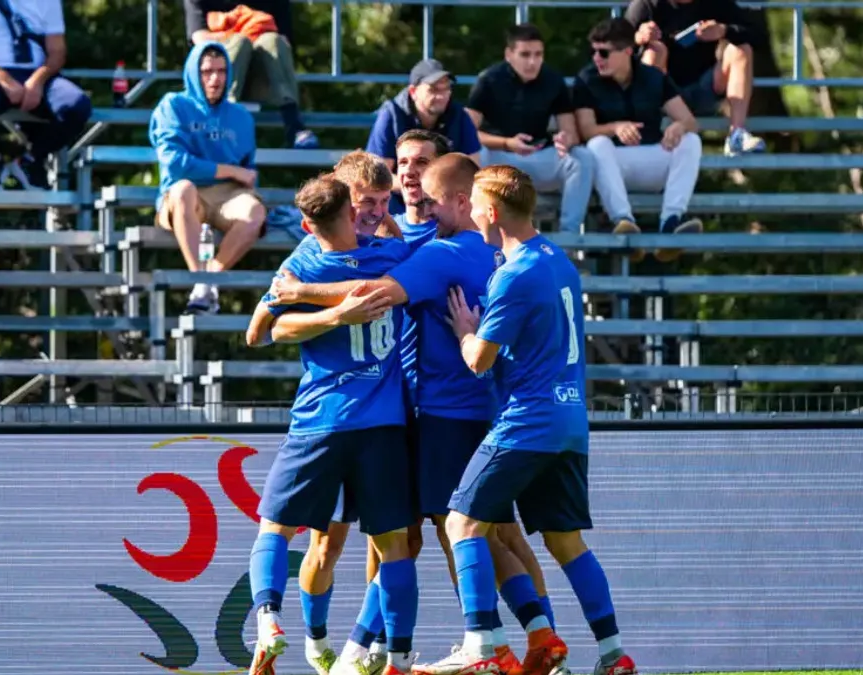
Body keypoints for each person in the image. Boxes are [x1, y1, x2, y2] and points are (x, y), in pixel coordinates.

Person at [264, 156, 558, 675]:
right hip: (494, 409)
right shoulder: (507, 254)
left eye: (425, 189)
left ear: (461, 200)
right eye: (399, 182)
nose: (411, 197)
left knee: (448, 532)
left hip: (435, 414)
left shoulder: (432, 256)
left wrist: (298, 295)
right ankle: (535, 637)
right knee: (476, 534)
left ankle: (484, 643)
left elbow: (373, 292)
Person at [441, 164, 637, 675]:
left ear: (493, 211)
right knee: (564, 540)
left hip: (530, 420)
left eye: (476, 205)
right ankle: (613, 652)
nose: (472, 213)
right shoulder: (557, 259)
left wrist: (466, 330)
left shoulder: (516, 272)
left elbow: (480, 360)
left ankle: (481, 642)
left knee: (461, 521)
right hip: (571, 418)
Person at [244, 175, 419, 675]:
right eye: (365, 203)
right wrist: (337, 313)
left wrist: (310, 300)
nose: (374, 211)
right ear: (347, 208)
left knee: (275, 528)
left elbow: (260, 331)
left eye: (382, 203)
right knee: (391, 547)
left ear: (305, 223)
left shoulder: (303, 265)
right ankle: (398, 658)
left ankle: (268, 619)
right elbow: (265, 330)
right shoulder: (393, 257)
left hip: (320, 421)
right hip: (381, 424)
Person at [150, 42, 266, 315]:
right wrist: (230, 170)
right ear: (194, 73)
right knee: (183, 190)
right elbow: (175, 164)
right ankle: (200, 279)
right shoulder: (173, 105)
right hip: (187, 194)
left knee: (255, 210)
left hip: (229, 194)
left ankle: (207, 284)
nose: (215, 78)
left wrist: (238, 176)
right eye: (207, 71)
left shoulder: (240, 117)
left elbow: (248, 172)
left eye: (221, 71)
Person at [573, 18, 702, 262]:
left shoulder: (653, 77)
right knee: (597, 145)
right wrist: (615, 127)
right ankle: (624, 223)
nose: (596, 59)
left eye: (603, 52)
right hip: (611, 165)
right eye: (593, 52)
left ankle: (671, 224)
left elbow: (690, 121)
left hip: (652, 158)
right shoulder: (586, 80)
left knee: (691, 140)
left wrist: (678, 126)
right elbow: (586, 131)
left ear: (627, 51)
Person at [466, 24, 594, 234]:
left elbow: (570, 131)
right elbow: (467, 132)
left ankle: (568, 237)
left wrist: (565, 139)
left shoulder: (553, 80)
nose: (532, 61)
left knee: (582, 158)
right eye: (525, 54)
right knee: (473, 154)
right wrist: (507, 143)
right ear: (509, 54)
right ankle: (480, 235)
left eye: (538, 54)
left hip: (539, 157)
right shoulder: (489, 80)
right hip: (498, 160)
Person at [0, 0, 92, 190]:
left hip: (36, 73)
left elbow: (57, 51)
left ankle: (32, 160)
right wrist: (3, 78)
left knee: (76, 105)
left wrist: (37, 81)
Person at [625, 0, 764, 156]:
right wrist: (638, 38)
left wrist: (724, 30)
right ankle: (646, 131)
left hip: (705, 88)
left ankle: (736, 135)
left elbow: (758, 35)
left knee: (742, 49)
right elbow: (614, 48)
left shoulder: (716, 3)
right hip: (664, 98)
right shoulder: (647, 4)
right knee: (655, 51)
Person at [183, 0, 317, 149]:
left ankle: (294, 126)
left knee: (272, 41)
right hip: (214, 86)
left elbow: (285, 42)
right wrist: (243, 31)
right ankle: (216, 123)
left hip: (262, 83)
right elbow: (200, 38)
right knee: (239, 42)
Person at [366, 59, 480, 216]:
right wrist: (417, 186)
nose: (441, 96)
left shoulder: (459, 115)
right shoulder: (391, 115)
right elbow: (378, 176)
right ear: (413, 92)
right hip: (399, 200)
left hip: (445, 198)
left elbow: (472, 169)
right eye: (433, 90)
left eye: (446, 89)